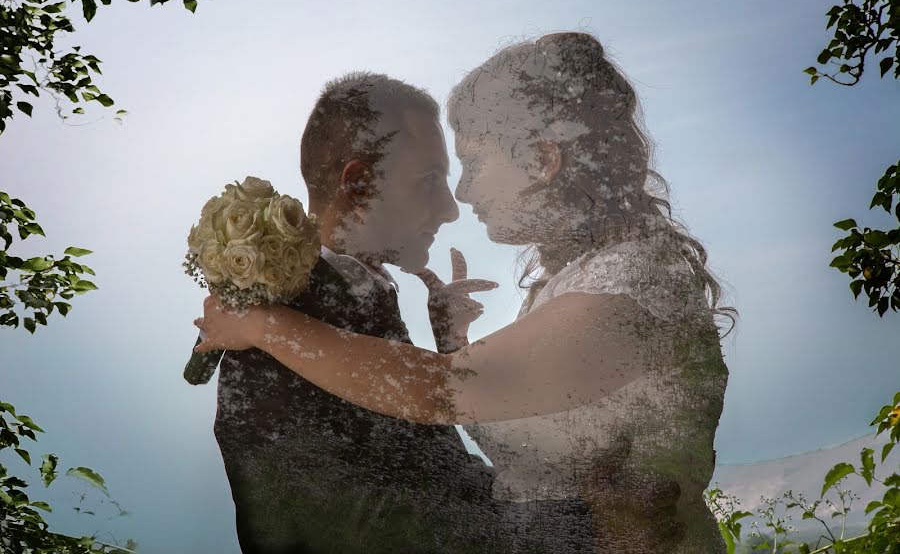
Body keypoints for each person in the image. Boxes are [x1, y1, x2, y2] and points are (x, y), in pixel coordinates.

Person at [196, 32, 736, 553]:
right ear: (358, 183)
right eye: (434, 176)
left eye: (473, 163)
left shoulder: (627, 284)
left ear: (544, 161)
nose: (460, 195)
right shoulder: (569, 282)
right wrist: (453, 340)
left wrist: (260, 326)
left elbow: (441, 394)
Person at [207, 72, 507, 554]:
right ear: (359, 182)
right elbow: (309, 523)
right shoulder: (270, 324)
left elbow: (434, 465)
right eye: (430, 181)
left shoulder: (361, 297)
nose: (451, 209)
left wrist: (450, 343)